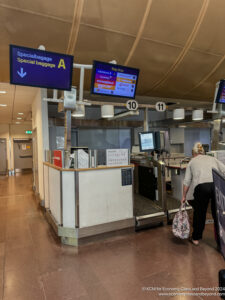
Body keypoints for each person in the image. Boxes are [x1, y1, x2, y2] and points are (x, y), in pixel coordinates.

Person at [182, 142, 225, 246]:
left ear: (193, 153)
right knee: (217, 214)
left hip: (201, 187)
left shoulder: (192, 161)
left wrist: (184, 196)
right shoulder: (212, 159)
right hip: (215, 185)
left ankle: (196, 238)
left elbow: (187, 181)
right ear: (203, 152)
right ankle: (220, 241)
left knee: (200, 213)